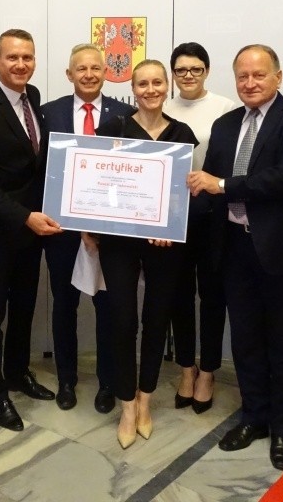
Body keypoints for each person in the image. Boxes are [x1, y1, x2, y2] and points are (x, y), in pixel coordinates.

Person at [188, 44, 283, 471]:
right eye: (242, 76)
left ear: (278, 77)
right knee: (246, 340)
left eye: (259, 75)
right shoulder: (226, 123)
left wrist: (223, 185)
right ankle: (254, 418)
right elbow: (207, 187)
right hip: (234, 247)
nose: (250, 83)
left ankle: (282, 428)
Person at [88, 59, 198, 449]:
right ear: (132, 89)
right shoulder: (112, 128)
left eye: (157, 83)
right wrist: (87, 225)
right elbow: (98, 183)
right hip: (119, 241)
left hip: (164, 245)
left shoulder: (182, 133)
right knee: (122, 320)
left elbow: (181, 192)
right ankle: (127, 405)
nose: (150, 90)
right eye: (142, 84)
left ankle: (146, 400)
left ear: (167, 86)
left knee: (156, 319)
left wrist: (168, 225)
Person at [0, 29, 61, 432]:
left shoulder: (32, 97)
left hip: (31, 231)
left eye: (27, 57)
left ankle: (18, 373)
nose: (21, 64)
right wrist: (23, 216)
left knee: (24, 307)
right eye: (13, 58)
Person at [40, 43, 133, 413]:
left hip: (109, 232)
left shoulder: (125, 114)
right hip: (61, 229)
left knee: (107, 306)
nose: (89, 74)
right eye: (82, 69)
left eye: (96, 68)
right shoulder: (49, 113)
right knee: (64, 304)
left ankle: (108, 382)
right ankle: (66, 379)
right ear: (69, 74)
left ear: (106, 73)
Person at [163, 42, 236, 414]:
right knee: (178, 294)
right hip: (174, 214)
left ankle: (208, 371)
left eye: (196, 69)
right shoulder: (163, 107)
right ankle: (186, 369)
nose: (188, 75)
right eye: (181, 70)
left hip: (213, 214)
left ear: (207, 71)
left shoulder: (226, 108)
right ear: (173, 73)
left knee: (212, 294)